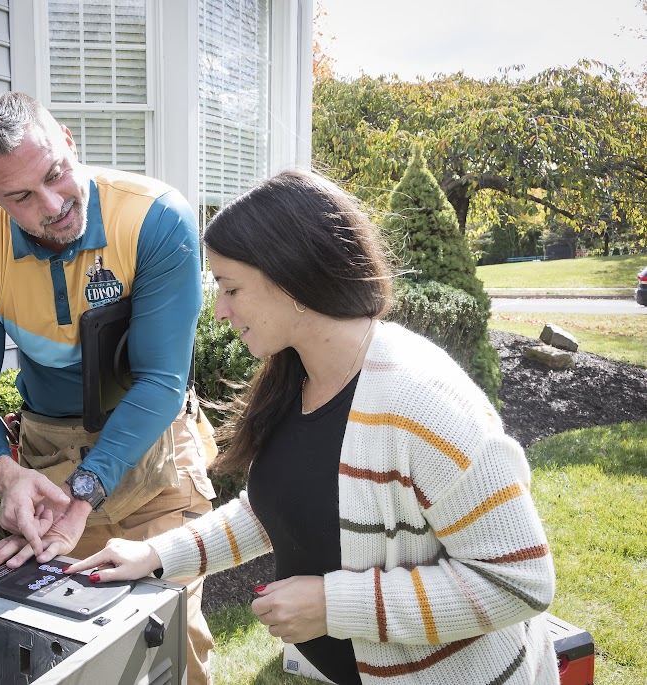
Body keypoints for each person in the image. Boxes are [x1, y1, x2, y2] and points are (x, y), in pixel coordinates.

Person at [66, 169, 560, 685]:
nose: (219, 311)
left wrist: (333, 605)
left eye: (231, 288)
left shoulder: (424, 403)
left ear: (292, 279)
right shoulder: (296, 375)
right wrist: (156, 554)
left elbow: (519, 581)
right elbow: (277, 510)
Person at [0, 91, 217, 685]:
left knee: (172, 640)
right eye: (20, 197)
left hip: (155, 460)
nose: (53, 204)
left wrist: (85, 492)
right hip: (47, 472)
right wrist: (6, 473)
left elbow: (162, 381)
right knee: (65, 651)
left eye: (55, 174)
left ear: (68, 140)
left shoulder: (154, 217)